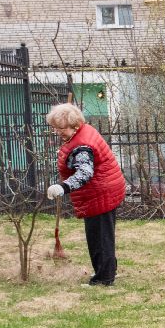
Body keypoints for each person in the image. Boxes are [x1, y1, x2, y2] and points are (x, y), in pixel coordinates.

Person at [44, 102, 126, 286]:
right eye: (55, 128)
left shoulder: (81, 147)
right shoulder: (83, 132)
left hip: (100, 194)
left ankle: (103, 279)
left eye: (61, 128)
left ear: (75, 126)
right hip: (106, 189)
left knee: (99, 238)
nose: (58, 132)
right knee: (104, 235)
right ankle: (107, 271)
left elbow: (84, 173)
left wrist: (63, 187)